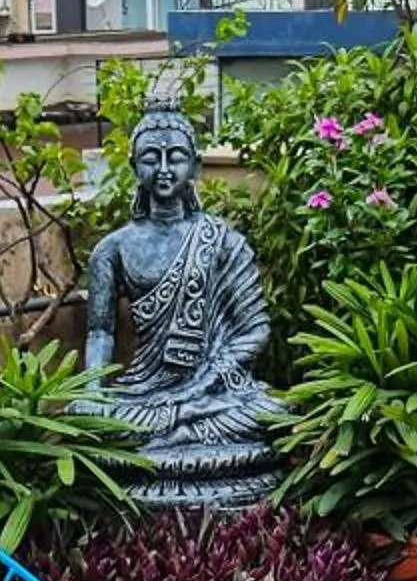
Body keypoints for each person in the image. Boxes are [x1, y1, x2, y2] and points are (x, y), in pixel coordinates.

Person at [81, 106, 283, 510]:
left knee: (270, 413)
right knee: (92, 420)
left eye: (175, 156)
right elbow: (100, 332)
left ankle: (173, 435)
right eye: (150, 158)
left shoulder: (222, 240)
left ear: (194, 165)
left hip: (216, 394)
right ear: (134, 165)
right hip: (143, 393)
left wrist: (209, 379)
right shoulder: (113, 248)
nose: (163, 168)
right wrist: (92, 391)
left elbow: (255, 330)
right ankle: (168, 434)